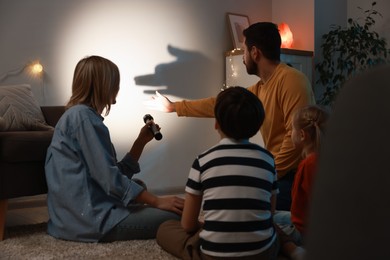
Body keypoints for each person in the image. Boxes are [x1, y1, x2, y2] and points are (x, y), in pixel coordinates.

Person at [146, 22, 315, 210]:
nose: (243, 58)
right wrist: (174, 107)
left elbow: (295, 140)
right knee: (230, 194)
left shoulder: (291, 80)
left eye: (244, 51)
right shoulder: (261, 88)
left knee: (238, 202)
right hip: (277, 174)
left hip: (295, 177)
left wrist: (267, 174)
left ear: (255, 52)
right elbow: (220, 103)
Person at [44, 55, 184, 242]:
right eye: (115, 83)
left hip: (72, 218)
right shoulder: (85, 119)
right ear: (104, 85)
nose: (117, 88)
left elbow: (110, 174)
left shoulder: (78, 116)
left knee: (139, 188)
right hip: (90, 221)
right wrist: (157, 201)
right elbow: (110, 180)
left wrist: (140, 142)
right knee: (177, 216)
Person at [156, 86, 279, 259]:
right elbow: (270, 213)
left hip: (214, 255)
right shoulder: (268, 160)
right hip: (262, 254)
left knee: (166, 228)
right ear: (257, 125)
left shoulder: (203, 161)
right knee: (276, 227)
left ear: (216, 123)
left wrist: (205, 225)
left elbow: (187, 225)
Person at [275, 105, 329, 260]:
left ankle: (293, 250)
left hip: (304, 231)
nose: (290, 133)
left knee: (263, 221)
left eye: (291, 129)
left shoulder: (308, 164)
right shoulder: (324, 159)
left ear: (302, 135)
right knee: (271, 213)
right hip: (305, 222)